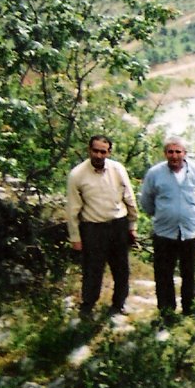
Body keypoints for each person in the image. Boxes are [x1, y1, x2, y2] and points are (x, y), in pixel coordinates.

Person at [66, 134, 139, 317]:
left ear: (109, 152)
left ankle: (119, 303)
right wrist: (75, 238)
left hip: (118, 225)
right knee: (92, 269)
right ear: (89, 150)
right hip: (93, 227)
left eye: (102, 151)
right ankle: (88, 305)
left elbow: (129, 198)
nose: (98, 155)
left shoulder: (118, 169)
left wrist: (132, 225)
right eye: (95, 151)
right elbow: (72, 209)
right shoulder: (77, 175)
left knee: (121, 268)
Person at [139, 135, 195, 319]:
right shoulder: (155, 174)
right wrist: (164, 215)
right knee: (163, 274)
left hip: (189, 232)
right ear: (165, 153)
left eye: (178, 151)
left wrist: (188, 214)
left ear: (185, 153)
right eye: (170, 151)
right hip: (164, 233)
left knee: (189, 274)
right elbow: (146, 201)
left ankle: (189, 310)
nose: (174, 155)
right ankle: (166, 311)